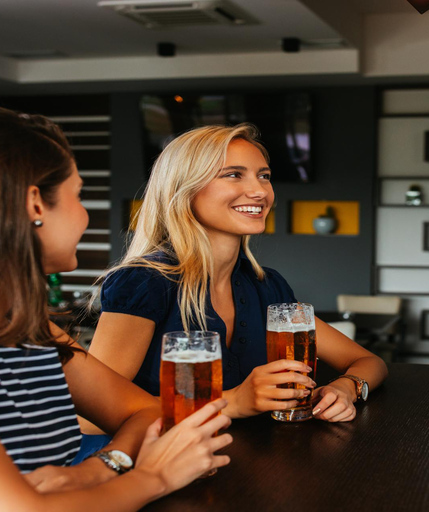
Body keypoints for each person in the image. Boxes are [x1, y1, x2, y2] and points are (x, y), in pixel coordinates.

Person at [0, 107, 232, 510]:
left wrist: (100, 468)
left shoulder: (30, 331)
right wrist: (154, 476)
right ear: (35, 204)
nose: (85, 214)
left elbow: (145, 411)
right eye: (79, 194)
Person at [86, 123, 387, 433]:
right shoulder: (143, 282)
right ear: (183, 189)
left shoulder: (267, 285)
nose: (259, 191)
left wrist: (345, 387)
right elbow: (90, 418)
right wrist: (234, 402)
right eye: (233, 174)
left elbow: (368, 361)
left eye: (264, 176)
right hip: (165, 472)